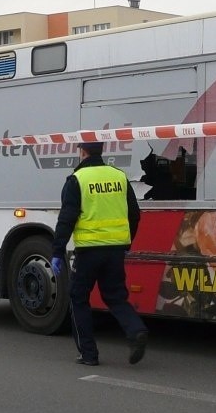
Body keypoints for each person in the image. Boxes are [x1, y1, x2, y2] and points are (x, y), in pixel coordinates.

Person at [51, 141, 148, 366]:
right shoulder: (119, 176)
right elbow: (135, 214)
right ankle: (136, 330)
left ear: (82, 152)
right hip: (115, 250)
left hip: (88, 251)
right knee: (115, 296)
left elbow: (67, 219)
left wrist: (57, 251)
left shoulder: (77, 179)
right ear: (101, 151)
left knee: (78, 297)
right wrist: (126, 242)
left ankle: (88, 354)